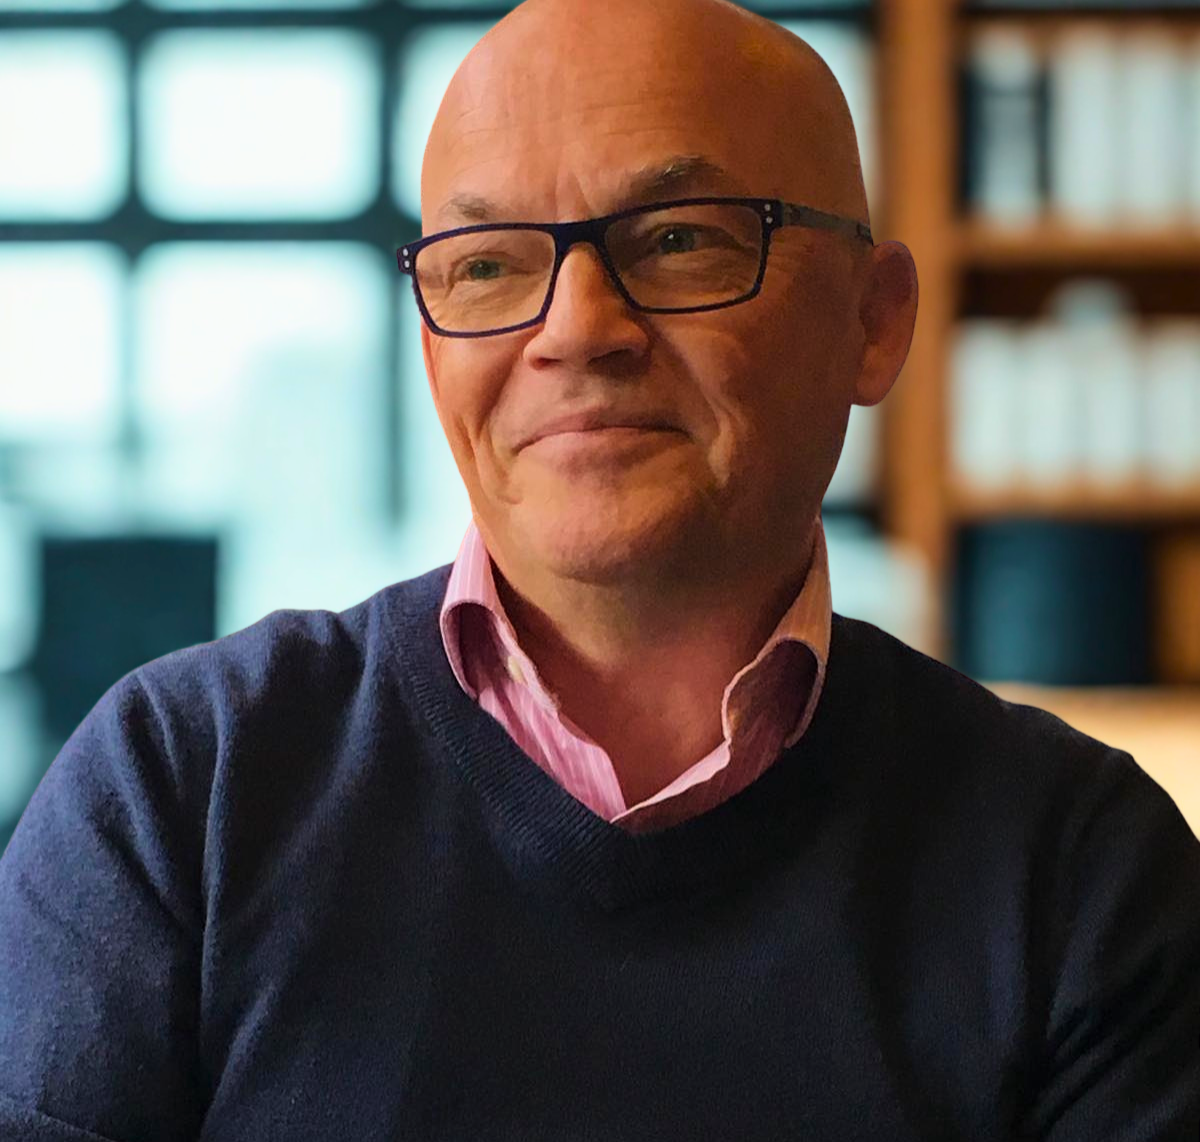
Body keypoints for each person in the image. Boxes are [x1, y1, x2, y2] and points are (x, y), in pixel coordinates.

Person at [1, 0, 1197, 1137]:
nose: (576, 327)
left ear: (874, 321)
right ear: (429, 347)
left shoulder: (1080, 873)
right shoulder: (182, 790)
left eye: (678, 241)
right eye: (486, 265)